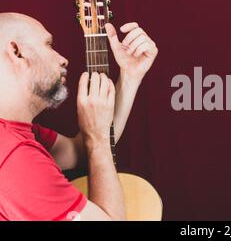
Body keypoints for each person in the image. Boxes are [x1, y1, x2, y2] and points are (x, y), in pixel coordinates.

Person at [0, 13, 158, 221]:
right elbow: (96, 142)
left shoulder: (18, 134)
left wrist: (130, 76)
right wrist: (98, 138)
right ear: (16, 52)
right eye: (48, 45)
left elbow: (82, 151)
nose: (62, 59)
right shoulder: (14, 156)